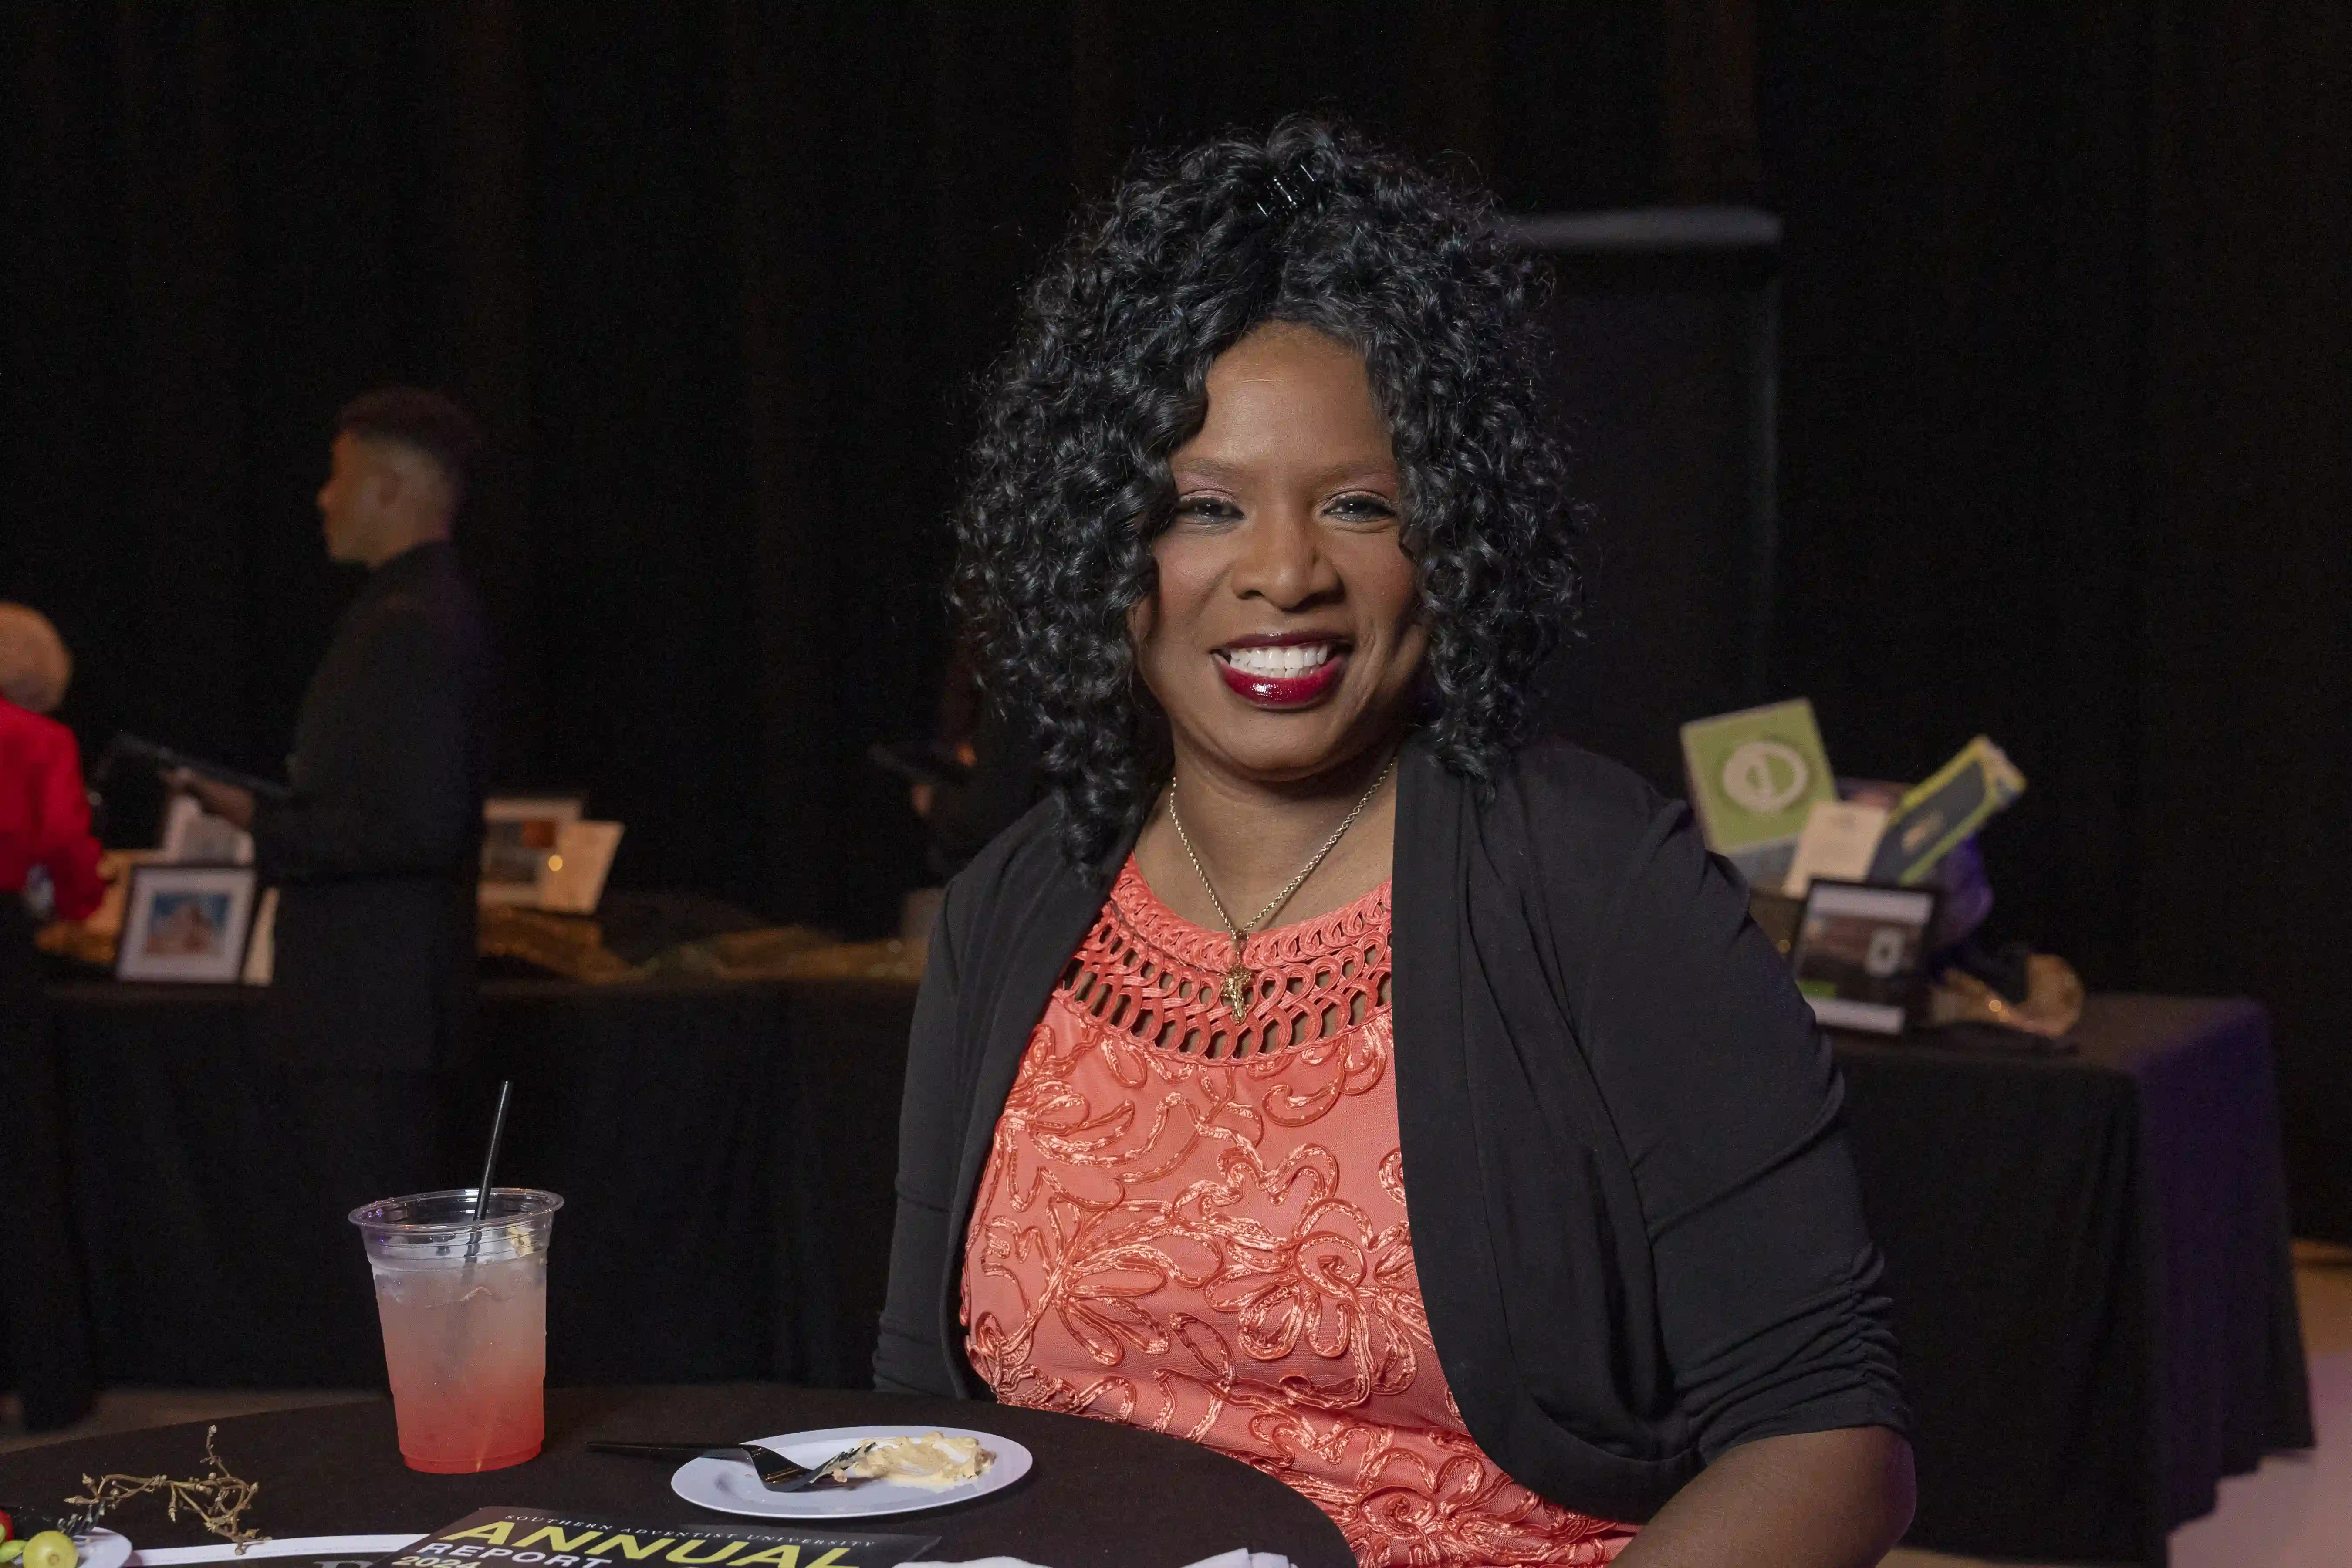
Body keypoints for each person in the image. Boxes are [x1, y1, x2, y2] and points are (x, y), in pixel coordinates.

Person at [875, 121, 1914, 1566]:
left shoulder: (1598, 885)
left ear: (1455, 534)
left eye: (1359, 504)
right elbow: (924, 1419)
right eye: (1205, 507)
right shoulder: (1013, 908)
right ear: (1105, 546)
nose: (1285, 571)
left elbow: (1827, 1440)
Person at [171, 388, 492, 1224]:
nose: (323, 498)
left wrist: (259, 820)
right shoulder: (412, 611)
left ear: (388, 488)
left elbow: (420, 824)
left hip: (370, 1016)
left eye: (338, 477)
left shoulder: (409, 622)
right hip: (377, 1013)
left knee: (385, 1261)